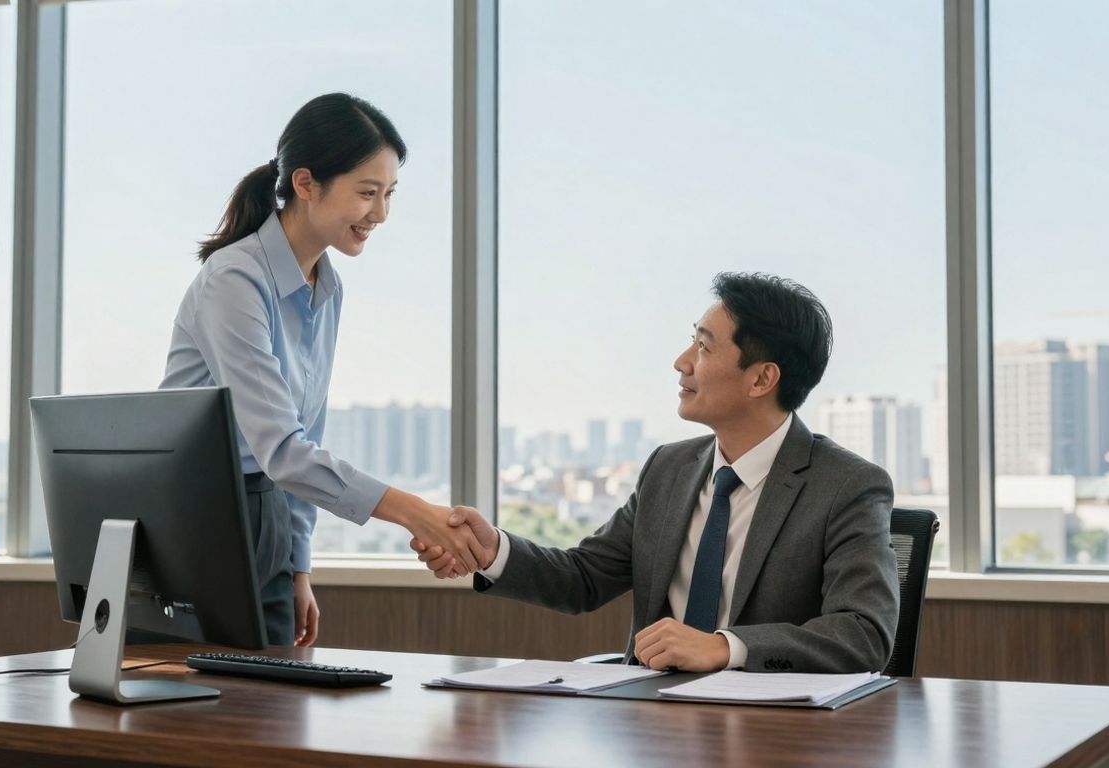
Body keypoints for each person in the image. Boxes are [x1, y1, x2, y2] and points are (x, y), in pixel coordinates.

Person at [414, 272, 898, 673]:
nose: (681, 362)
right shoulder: (670, 468)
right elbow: (584, 579)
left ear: (762, 378)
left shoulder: (846, 486)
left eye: (704, 348)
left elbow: (863, 633)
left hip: (770, 731)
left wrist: (726, 647)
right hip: (650, 718)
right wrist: (492, 548)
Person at [162, 93, 485, 648]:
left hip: (264, 514)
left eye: (388, 195)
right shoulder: (235, 279)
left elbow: (304, 437)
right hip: (197, 521)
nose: (380, 214)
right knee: (211, 716)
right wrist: (416, 514)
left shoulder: (327, 287)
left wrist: (297, 567)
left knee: (271, 711)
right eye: (366, 193)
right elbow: (284, 451)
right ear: (307, 183)